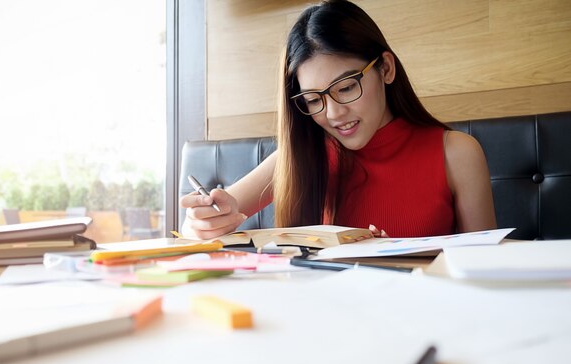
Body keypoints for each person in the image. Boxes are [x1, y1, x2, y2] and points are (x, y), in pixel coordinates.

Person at [181, 0, 496, 239]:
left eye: (346, 88)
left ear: (385, 69)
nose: (332, 114)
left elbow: (485, 270)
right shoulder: (303, 153)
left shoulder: (457, 153)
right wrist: (203, 222)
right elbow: (206, 220)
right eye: (313, 99)